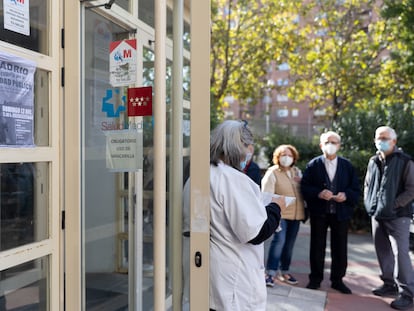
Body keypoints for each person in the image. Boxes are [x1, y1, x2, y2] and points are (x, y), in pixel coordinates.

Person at [208, 120, 286, 311]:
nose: (248, 152)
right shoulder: (233, 180)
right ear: (237, 147)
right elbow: (256, 232)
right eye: (247, 146)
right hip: (233, 279)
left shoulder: (200, 174)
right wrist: (276, 207)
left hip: (210, 272)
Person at [300, 131, 360, 294]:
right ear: (321, 145)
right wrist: (318, 193)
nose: (331, 145)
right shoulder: (313, 165)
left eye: (334, 142)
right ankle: (315, 279)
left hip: (340, 213)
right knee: (317, 246)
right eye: (327, 142)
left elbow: (355, 188)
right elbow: (305, 187)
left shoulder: (347, 165)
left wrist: (346, 195)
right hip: (319, 212)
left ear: (339, 146)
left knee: (340, 247)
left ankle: (337, 280)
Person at [364, 126, 414, 310]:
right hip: (377, 214)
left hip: (398, 216)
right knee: (382, 251)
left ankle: (408, 294)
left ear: (394, 141)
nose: (381, 141)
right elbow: (368, 184)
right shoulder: (373, 160)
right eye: (378, 137)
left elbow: (411, 189)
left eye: (385, 138)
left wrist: (394, 205)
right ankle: (388, 284)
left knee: (400, 253)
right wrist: (369, 203)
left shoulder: (405, 161)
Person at [262, 144, 305, 287]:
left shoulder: (296, 172)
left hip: (296, 214)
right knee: (279, 241)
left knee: (289, 244)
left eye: (290, 155)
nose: (287, 157)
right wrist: (270, 214)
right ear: (278, 157)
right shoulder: (272, 172)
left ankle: (284, 271)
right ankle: (270, 273)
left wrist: (302, 182)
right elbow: (266, 195)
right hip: (280, 214)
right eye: (283, 155)